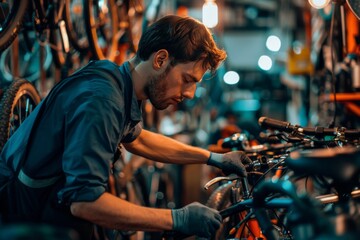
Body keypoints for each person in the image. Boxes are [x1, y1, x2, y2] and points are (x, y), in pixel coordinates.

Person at [0, 15, 251, 239]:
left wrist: (213, 158)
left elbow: (138, 139)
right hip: (27, 220)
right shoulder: (103, 100)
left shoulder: (116, 80)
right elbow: (84, 201)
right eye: (187, 80)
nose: (190, 93)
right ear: (161, 59)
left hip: (46, 209)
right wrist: (178, 219)